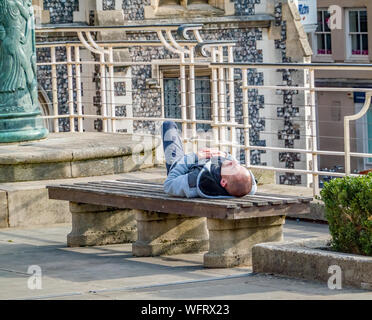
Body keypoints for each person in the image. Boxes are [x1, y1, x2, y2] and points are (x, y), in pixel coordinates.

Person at [162, 121, 257, 198]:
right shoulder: (240, 187)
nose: (234, 161)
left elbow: (169, 184)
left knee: (168, 125)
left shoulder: (196, 180)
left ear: (223, 182)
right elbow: (250, 184)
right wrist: (225, 155)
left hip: (180, 167)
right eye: (239, 164)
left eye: (232, 166)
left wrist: (193, 157)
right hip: (199, 161)